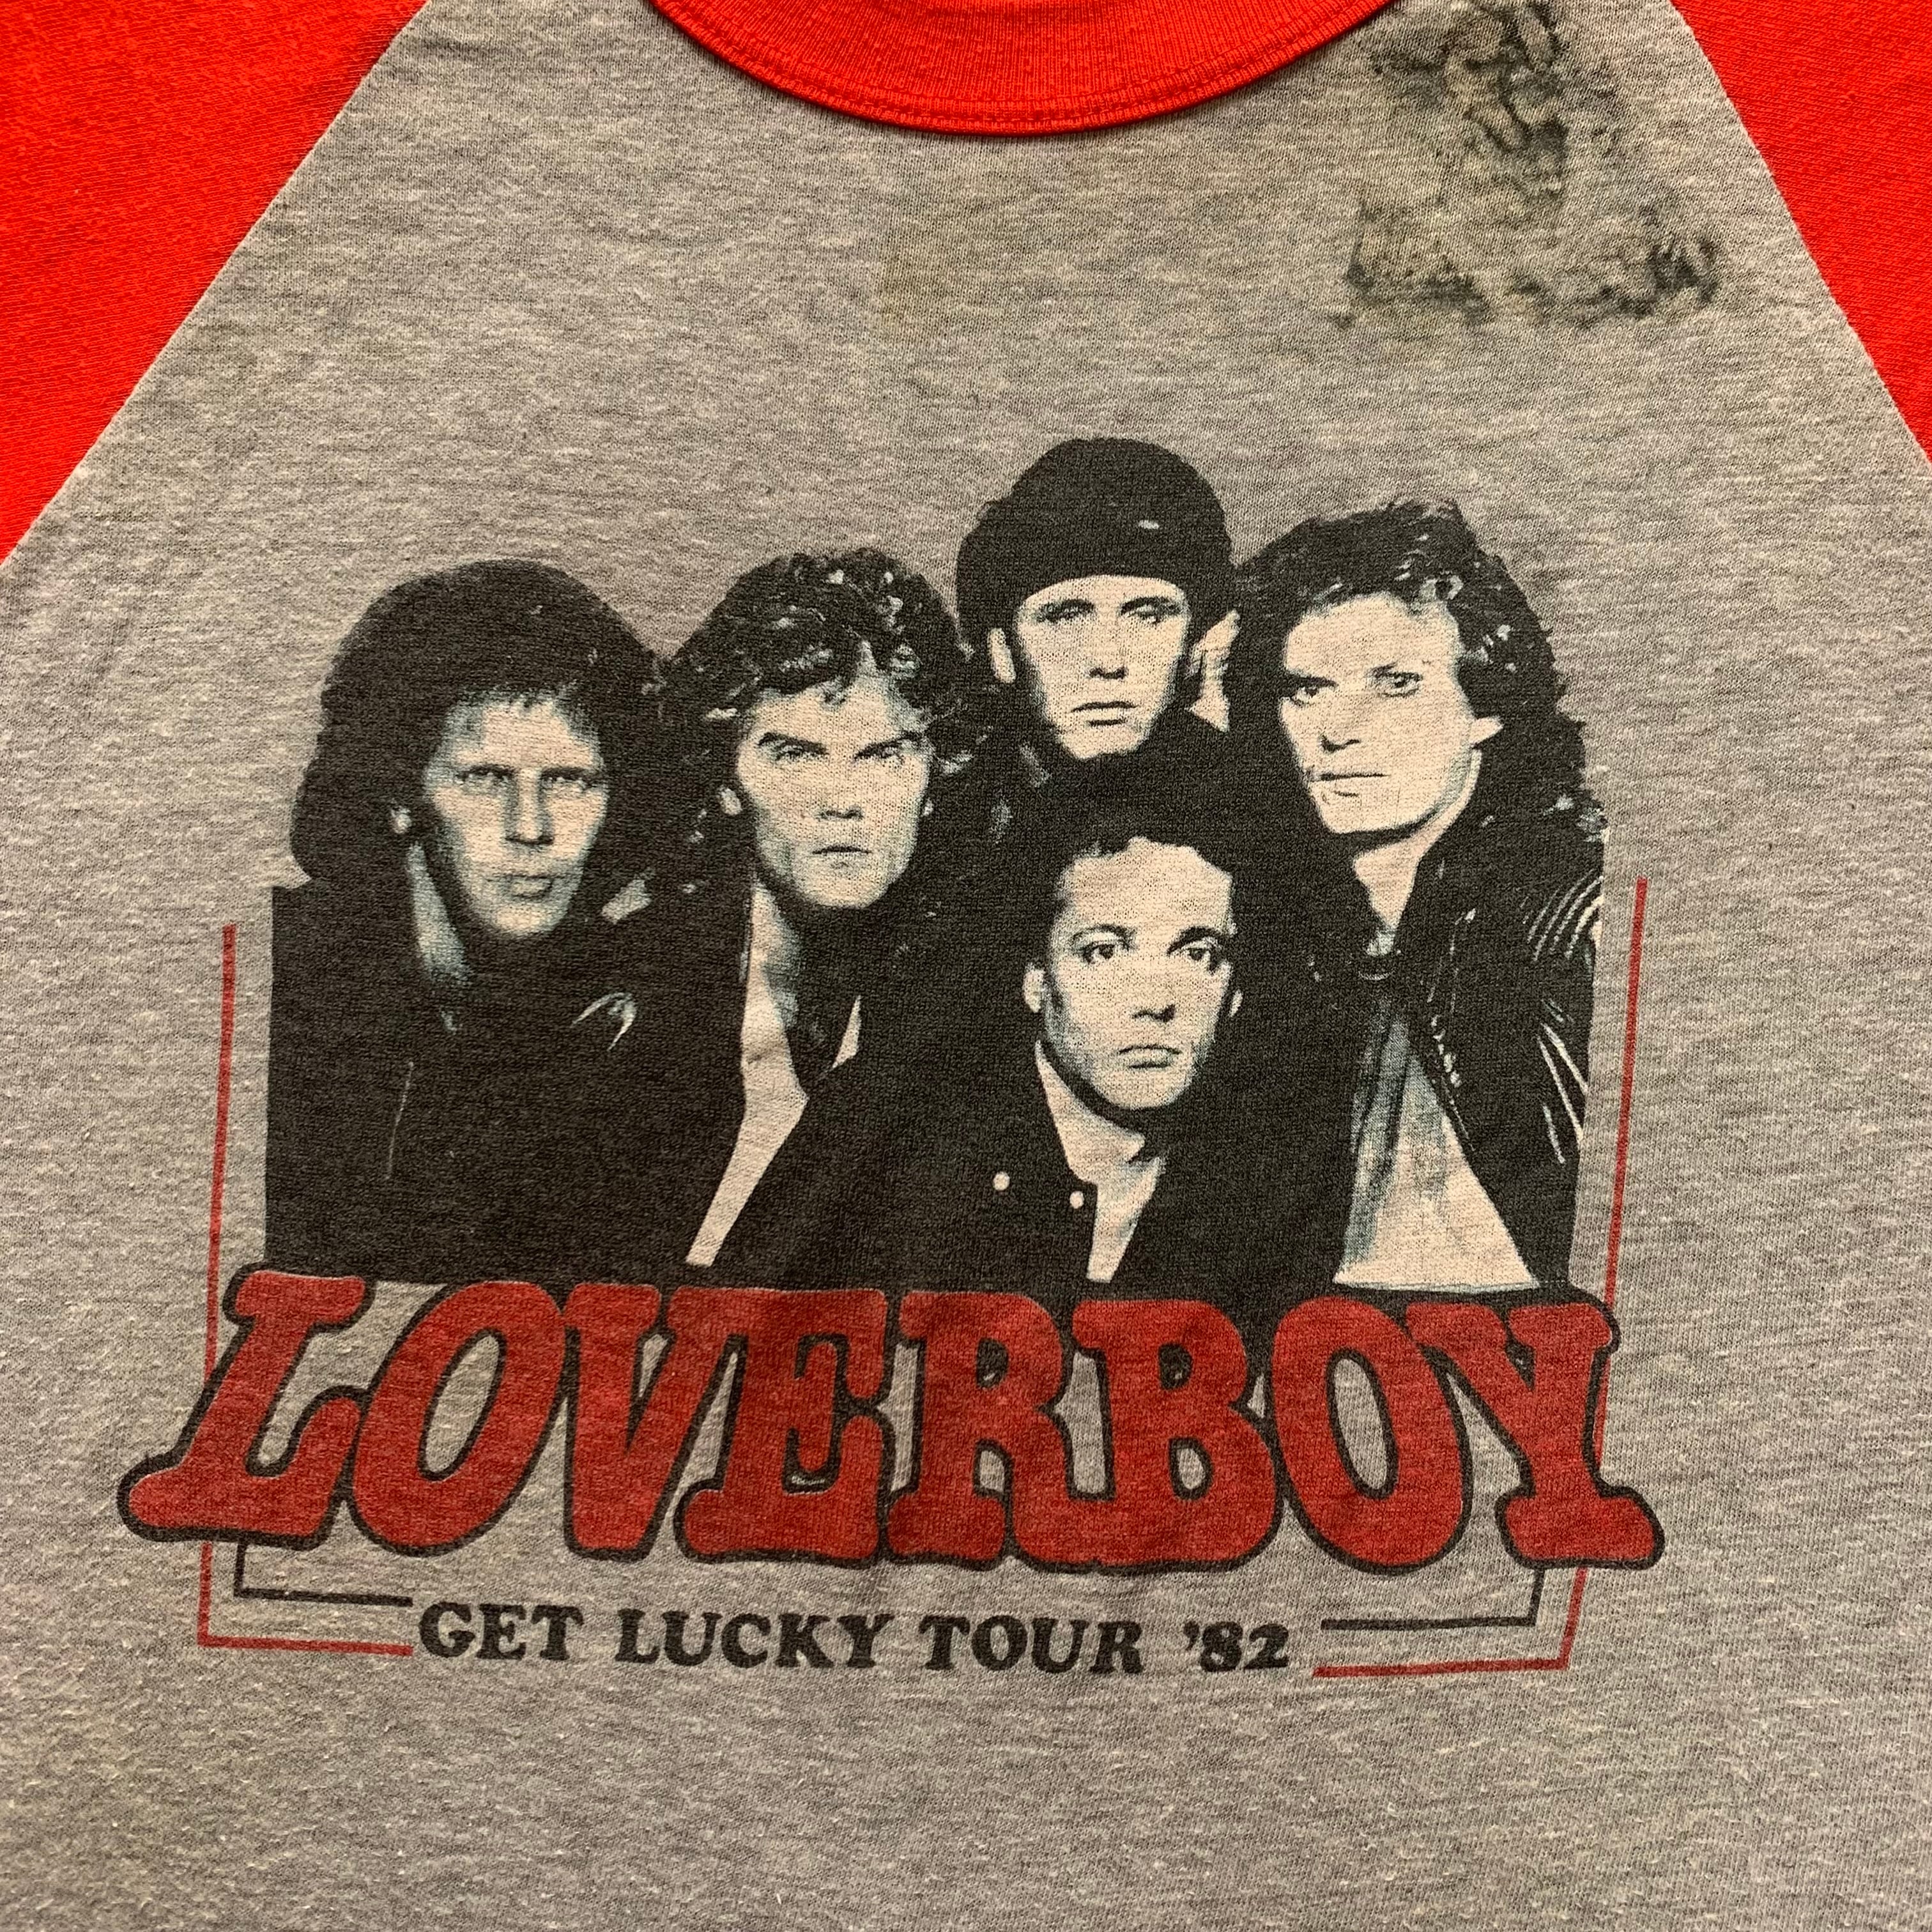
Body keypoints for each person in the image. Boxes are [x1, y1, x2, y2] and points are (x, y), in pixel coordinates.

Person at [1228, 500, 1603, 1294]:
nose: (1339, 730)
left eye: (1396, 685)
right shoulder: (1278, 939)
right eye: (1308, 690)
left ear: (1485, 708)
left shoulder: (1567, 919)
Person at [579, 547, 974, 1280]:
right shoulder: (617, 998)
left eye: (883, 756)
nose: (843, 802)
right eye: (796, 756)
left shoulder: (979, 1010)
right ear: (728, 780)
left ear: (934, 777)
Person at [265, 558, 654, 1284]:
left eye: (571, 781)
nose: (531, 827)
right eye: (484, 779)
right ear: (401, 795)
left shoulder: (636, 1009)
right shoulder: (286, 982)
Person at [822, 785, 1269, 1312]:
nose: (1155, 1002)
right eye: (1104, 952)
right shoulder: (887, 1134)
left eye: (1196, 954)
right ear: (1037, 980)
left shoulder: (1266, 1181)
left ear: (1234, 995)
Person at [954, 437, 1242, 828]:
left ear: (1199, 646)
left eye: (1147, 617)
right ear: (1002, 652)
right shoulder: (946, 832)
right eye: (1066, 618)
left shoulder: (1263, 819)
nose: (1108, 662)